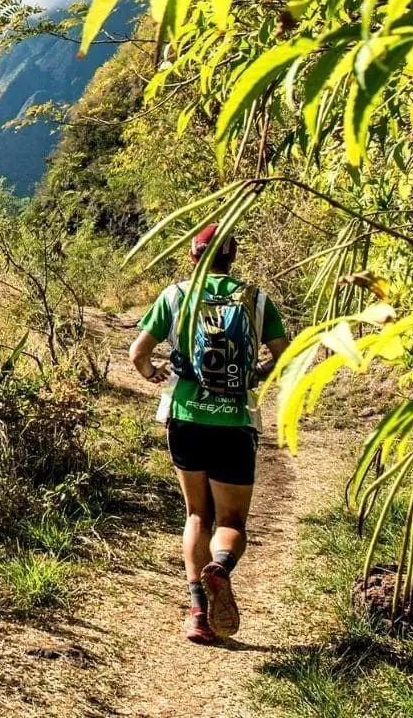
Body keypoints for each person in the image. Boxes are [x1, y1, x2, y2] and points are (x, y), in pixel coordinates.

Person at [127, 225, 288, 645]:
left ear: (194, 258)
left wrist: (154, 374)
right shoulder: (256, 299)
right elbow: (283, 354)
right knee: (232, 520)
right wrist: (258, 376)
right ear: (232, 258)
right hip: (234, 422)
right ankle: (220, 565)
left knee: (198, 514)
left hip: (185, 416)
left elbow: (137, 353)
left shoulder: (176, 296)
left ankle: (198, 612)